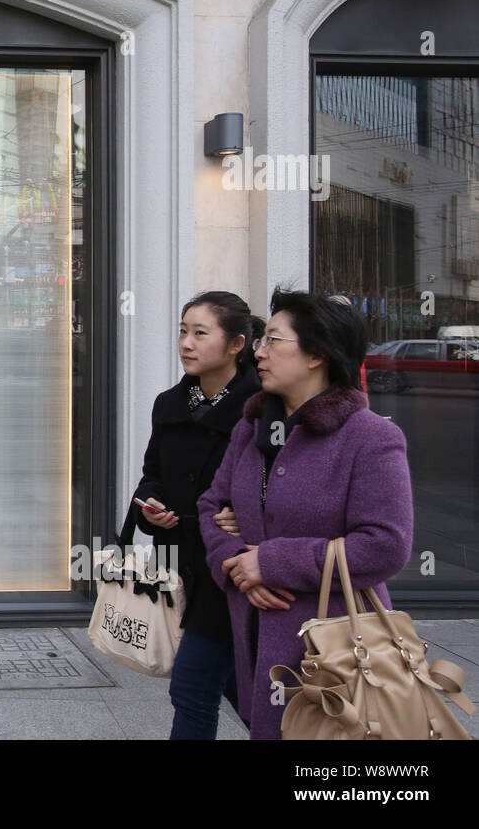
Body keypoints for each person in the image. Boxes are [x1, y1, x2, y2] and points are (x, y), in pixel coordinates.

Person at [198, 289, 414, 740]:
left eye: (274, 340)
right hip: (255, 632)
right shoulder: (253, 425)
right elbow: (212, 505)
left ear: (317, 354)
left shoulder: (370, 437)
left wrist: (271, 562)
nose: (259, 351)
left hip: (336, 648)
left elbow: (385, 545)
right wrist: (238, 564)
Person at [128, 291, 263, 739]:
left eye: (200, 333)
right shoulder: (170, 404)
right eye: (183, 331)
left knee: (192, 688)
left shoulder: (261, 410)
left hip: (228, 566)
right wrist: (152, 509)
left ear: (236, 344)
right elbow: (152, 476)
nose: (186, 342)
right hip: (178, 564)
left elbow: (275, 486)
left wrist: (245, 517)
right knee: (232, 687)